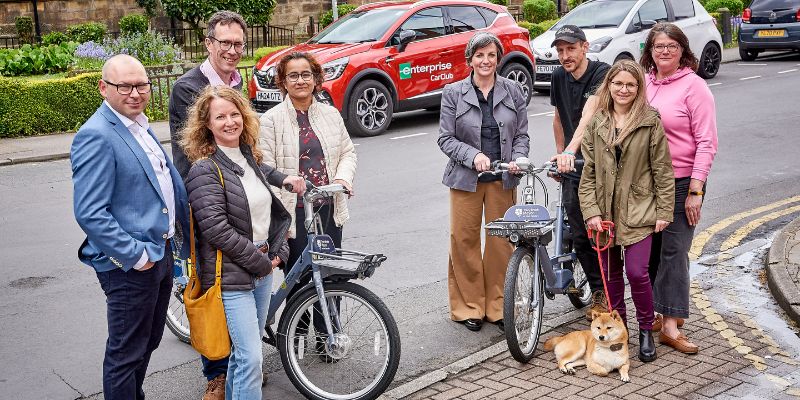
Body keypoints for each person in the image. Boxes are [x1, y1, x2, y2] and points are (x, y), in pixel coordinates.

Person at [71, 54, 191, 400]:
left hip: (160, 252)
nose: (135, 93)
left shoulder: (137, 123)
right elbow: (90, 213)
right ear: (103, 88)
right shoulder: (95, 136)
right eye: (125, 86)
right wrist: (136, 256)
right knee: (126, 352)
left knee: (149, 339)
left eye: (141, 85)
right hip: (131, 264)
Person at [182, 85, 305, 399]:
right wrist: (263, 263)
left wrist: (277, 250)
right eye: (220, 116)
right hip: (231, 278)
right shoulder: (204, 170)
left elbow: (263, 188)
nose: (229, 121)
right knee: (251, 357)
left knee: (242, 356)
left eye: (234, 113)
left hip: (260, 268)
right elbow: (217, 231)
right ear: (206, 125)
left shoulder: (248, 157)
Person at [168, 11, 248, 397]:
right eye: (225, 43)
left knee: (235, 284)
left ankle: (240, 362)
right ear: (208, 44)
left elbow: (242, 140)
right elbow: (194, 150)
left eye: (238, 44)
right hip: (204, 199)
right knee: (209, 288)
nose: (232, 51)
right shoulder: (189, 87)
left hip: (237, 196)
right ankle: (215, 374)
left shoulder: (236, 82)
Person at [578, 60, 675, 363]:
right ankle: (621, 331)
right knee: (611, 276)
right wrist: (591, 211)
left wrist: (664, 210)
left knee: (637, 272)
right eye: (618, 84)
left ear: (638, 88)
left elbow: (662, 169)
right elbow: (589, 173)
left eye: (630, 85)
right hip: (604, 213)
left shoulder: (649, 120)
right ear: (609, 86)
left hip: (640, 210)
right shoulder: (598, 122)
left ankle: (646, 329)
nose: (623, 90)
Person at [259, 51, 357, 346]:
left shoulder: (329, 114)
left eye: (306, 75)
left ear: (316, 79)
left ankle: (329, 337)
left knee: (330, 275)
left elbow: (348, 153)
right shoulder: (271, 120)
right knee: (300, 277)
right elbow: (265, 168)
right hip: (294, 212)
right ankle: (296, 337)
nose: (300, 80)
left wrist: (342, 179)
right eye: (293, 75)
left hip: (327, 207)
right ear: (283, 82)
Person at [438, 32, 530, 332]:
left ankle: (497, 306)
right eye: (480, 55)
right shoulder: (453, 92)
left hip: (503, 177)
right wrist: (472, 154)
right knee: (463, 240)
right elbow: (446, 139)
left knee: (501, 243)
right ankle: (469, 307)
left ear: (498, 58)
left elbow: (521, 135)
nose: (485, 61)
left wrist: (519, 158)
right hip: (466, 178)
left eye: (491, 55)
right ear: (470, 60)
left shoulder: (513, 90)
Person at [640, 23, 718, 354]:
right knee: (655, 251)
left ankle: (671, 327)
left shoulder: (695, 87)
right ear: (650, 51)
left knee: (674, 252)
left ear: (683, 50)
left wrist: (696, 190)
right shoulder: (643, 82)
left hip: (683, 180)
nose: (665, 51)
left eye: (672, 45)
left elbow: (707, 142)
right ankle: (663, 311)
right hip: (648, 181)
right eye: (659, 46)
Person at [547, 25, 611, 320]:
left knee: (599, 232)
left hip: (600, 165)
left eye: (570, 49)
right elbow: (559, 116)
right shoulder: (559, 75)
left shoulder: (601, 73)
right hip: (573, 166)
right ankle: (595, 288)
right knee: (577, 232)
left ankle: (608, 293)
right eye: (560, 50)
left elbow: (588, 116)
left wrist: (569, 152)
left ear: (585, 47)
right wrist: (561, 154)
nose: (564, 56)